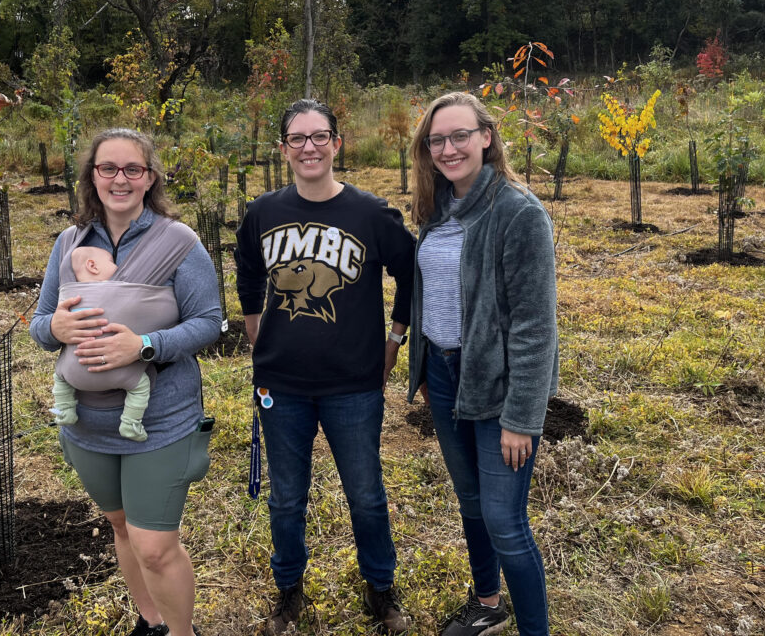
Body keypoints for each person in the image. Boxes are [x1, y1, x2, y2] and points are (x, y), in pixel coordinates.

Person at [234, 99, 416, 636]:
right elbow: (247, 268)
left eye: (319, 137)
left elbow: (411, 275)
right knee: (286, 497)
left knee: (366, 494)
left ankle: (381, 590)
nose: (309, 147)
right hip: (282, 383)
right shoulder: (263, 212)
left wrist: (396, 337)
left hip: (353, 383)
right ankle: (288, 591)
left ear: (337, 143)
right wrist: (253, 326)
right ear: (284, 148)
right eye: (297, 138)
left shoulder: (372, 214)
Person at [30, 128, 221, 636]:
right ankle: (150, 622)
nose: (120, 178)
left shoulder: (178, 242)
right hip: (88, 425)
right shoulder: (70, 243)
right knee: (120, 526)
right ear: (92, 177)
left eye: (132, 169)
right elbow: (40, 322)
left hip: (158, 419)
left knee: (155, 546)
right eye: (107, 168)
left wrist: (144, 346)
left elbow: (208, 322)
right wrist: (55, 328)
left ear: (150, 177)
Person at [406, 92, 558, 636]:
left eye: (460, 136)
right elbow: (429, 295)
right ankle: (488, 604)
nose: (449, 149)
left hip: (497, 388)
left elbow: (535, 328)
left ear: (487, 137)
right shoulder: (437, 205)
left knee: (505, 520)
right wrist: (423, 369)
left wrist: (522, 417)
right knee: (471, 503)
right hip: (446, 380)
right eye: (437, 140)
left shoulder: (518, 213)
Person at [51, 246, 153, 442]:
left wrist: (53, 325)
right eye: (112, 262)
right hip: (120, 370)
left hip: (74, 371)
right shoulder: (122, 291)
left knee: (59, 377)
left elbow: (48, 317)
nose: (117, 266)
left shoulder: (70, 297)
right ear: (93, 266)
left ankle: (64, 410)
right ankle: (131, 422)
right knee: (141, 386)